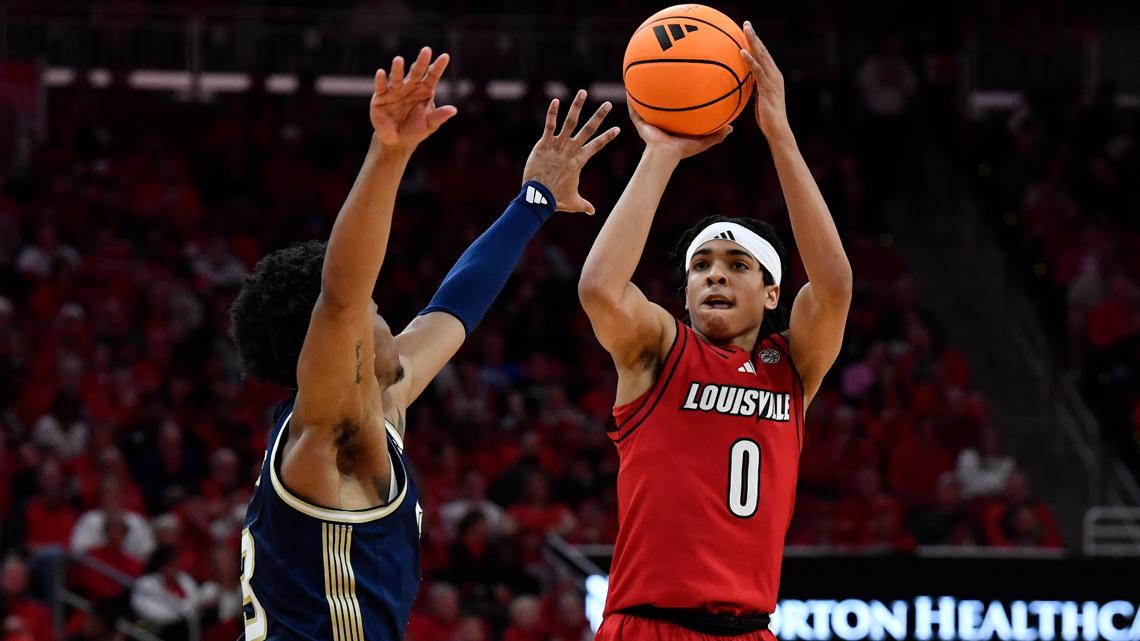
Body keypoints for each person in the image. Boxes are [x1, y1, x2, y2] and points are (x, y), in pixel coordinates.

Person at [229, 47, 619, 641]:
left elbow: (453, 309)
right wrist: (389, 154)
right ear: (350, 337)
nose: (392, 320)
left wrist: (534, 201)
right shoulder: (332, 433)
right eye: (377, 311)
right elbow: (341, 295)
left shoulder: (378, 409)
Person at [578, 23, 852, 640]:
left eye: (736, 265)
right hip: (646, 625)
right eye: (699, 267)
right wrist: (661, 154)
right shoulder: (660, 352)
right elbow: (599, 289)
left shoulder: (794, 365)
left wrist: (778, 135)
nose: (713, 277)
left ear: (773, 292)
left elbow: (834, 288)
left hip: (751, 629)